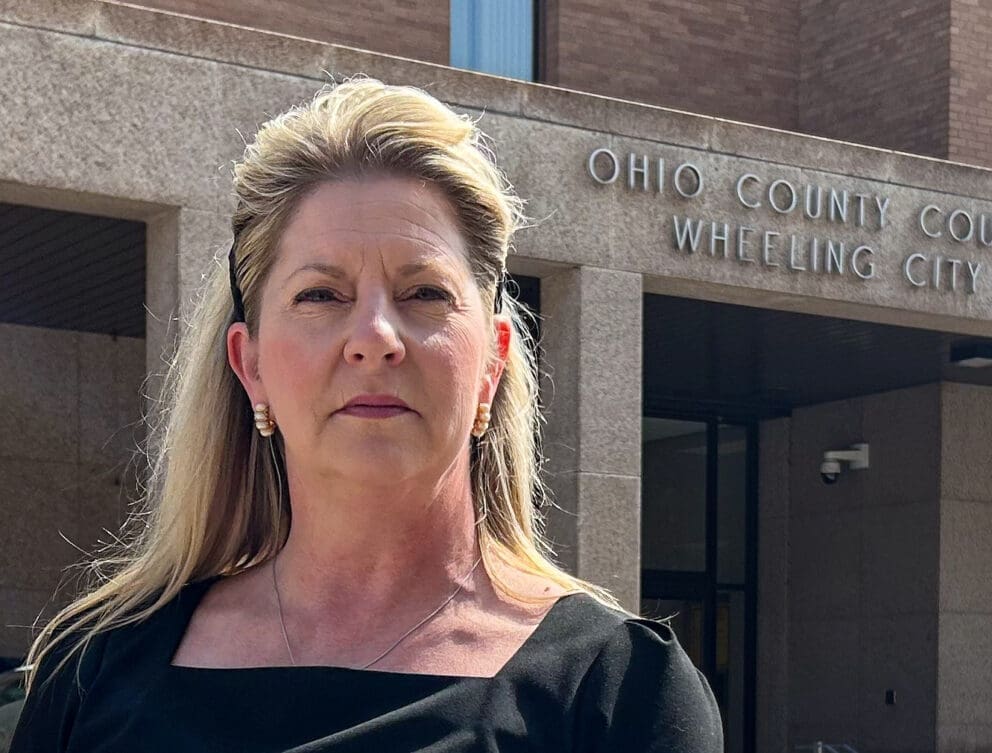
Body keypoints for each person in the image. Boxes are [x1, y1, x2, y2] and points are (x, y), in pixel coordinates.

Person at [10, 76, 723, 752]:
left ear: (492, 362)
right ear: (250, 364)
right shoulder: (95, 671)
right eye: (321, 294)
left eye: (424, 293)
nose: (375, 338)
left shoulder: (619, 692)